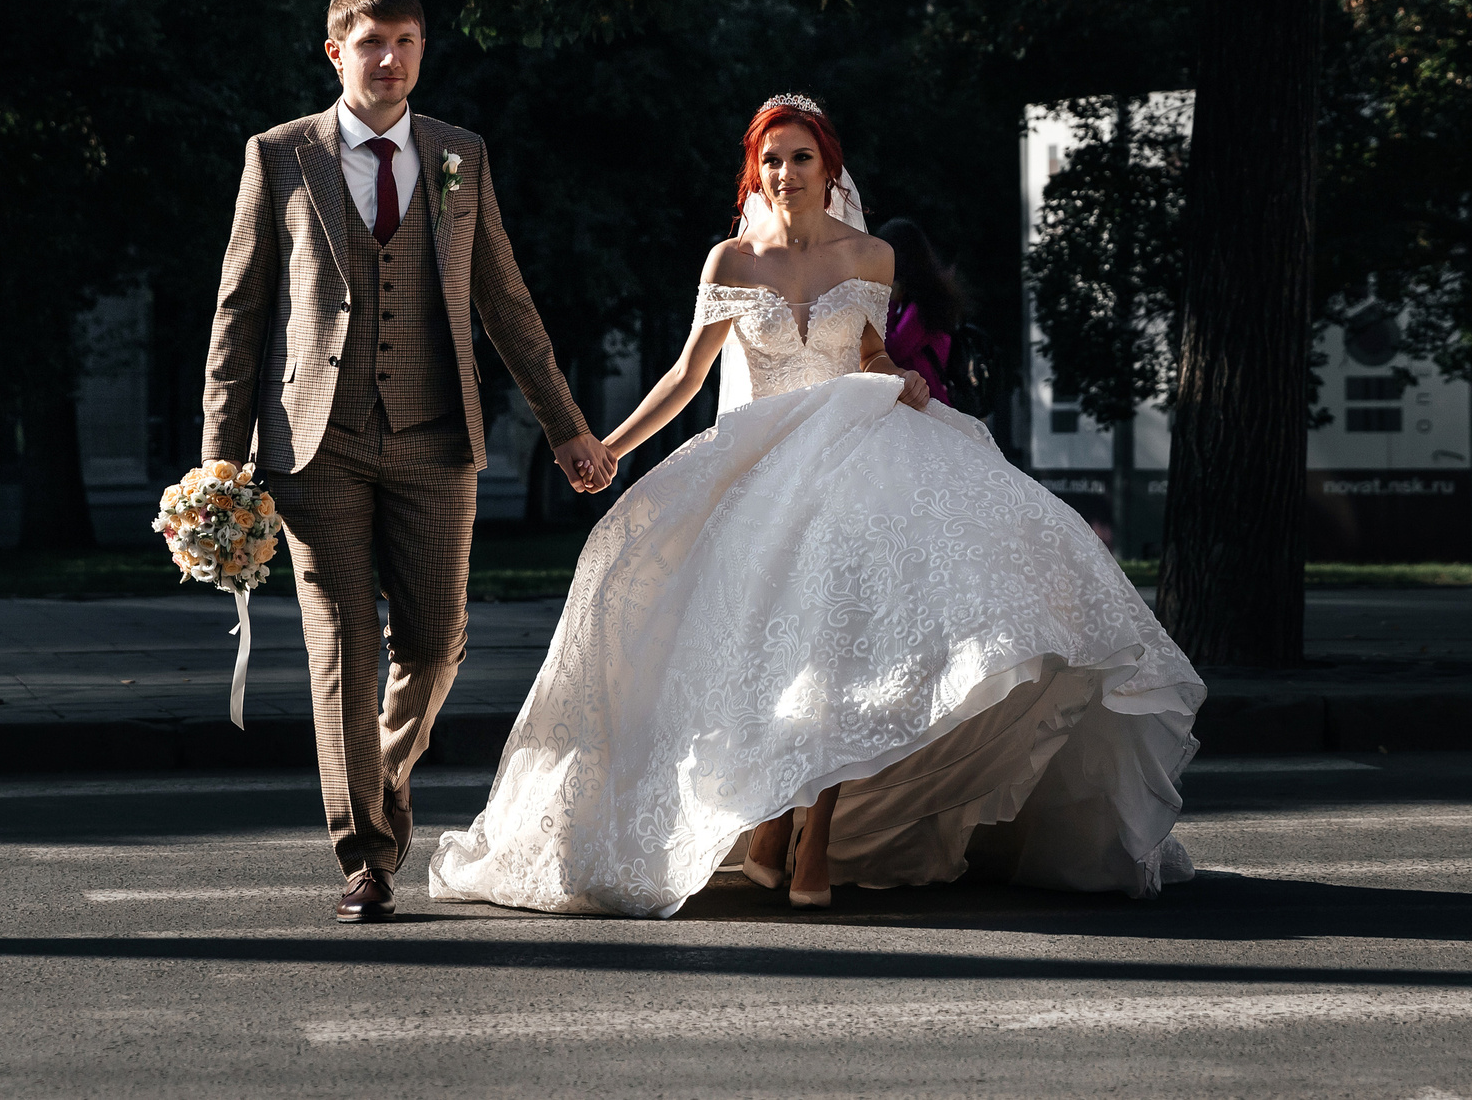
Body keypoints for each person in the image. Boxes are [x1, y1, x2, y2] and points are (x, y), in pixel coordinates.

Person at [430, 94, 1203, 917]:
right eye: (771, 159)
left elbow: (867, 353)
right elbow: (689, 376)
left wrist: (899, 375)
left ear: (828, 168)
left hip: (851, 462)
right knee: (772, 650)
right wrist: (610, 445)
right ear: (753, 172)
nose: (785, 173)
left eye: (800, 157)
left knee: (837, 641)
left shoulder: (869, 257)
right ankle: (772, 833)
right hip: (761, 468)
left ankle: (814, 837)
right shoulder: (730, 261)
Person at [202, 0, 614, 926]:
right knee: (343, 642)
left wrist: (566, 427)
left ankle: (377, 775)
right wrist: (219, 461)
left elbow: (505, 302)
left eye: (408, 40)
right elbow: (241, 313)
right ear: (335, 53)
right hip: (318, 443)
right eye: (372, 41)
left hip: (436, 437)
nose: (390, 58)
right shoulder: (279, 159)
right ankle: (367, 853)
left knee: (434, 645)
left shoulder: (461, 156)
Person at [876, 217, 962, 409]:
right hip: (919, 401)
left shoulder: (921, 305)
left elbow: (893, 350)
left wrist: (890, 302)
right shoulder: (923, 299)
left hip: (925, 404)